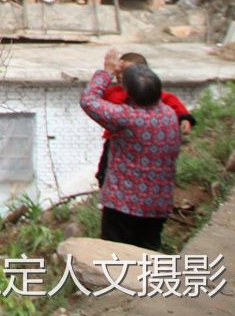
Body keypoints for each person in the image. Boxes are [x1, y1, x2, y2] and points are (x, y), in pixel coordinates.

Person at [81, 50, 183, 251]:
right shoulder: (169, 115)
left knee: (115, 257)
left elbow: (89, 101)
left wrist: (106, 72)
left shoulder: (127, 118)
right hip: (157, 203)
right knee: (148, 255)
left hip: (123, 204)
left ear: (128, 92)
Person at [95, 51, 195, 184]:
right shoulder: (113, 92)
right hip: (115, 142)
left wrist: (185, 119)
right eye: (120, 73)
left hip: (142, 141)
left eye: (127, 73)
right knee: (105, 173)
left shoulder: (153, 95)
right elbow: (94, 99)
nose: (122, 77)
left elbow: (173, 103)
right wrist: (108, 73)